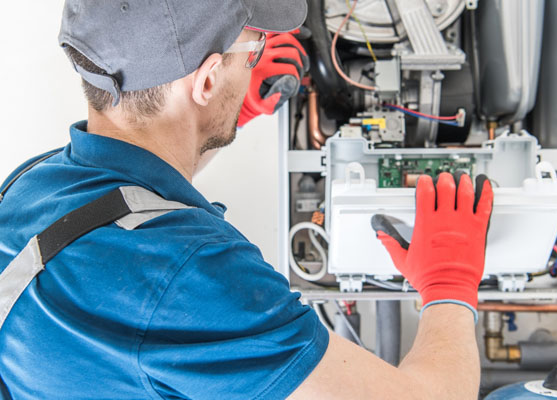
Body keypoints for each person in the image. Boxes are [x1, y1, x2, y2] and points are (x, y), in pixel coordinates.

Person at [0, 1, 493, 399]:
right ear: (207, 80)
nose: (257, 63)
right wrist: (450, 284)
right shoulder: (191, 275)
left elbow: (135, 193)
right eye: (253, 52)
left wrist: (226, 113)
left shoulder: (33, 185)